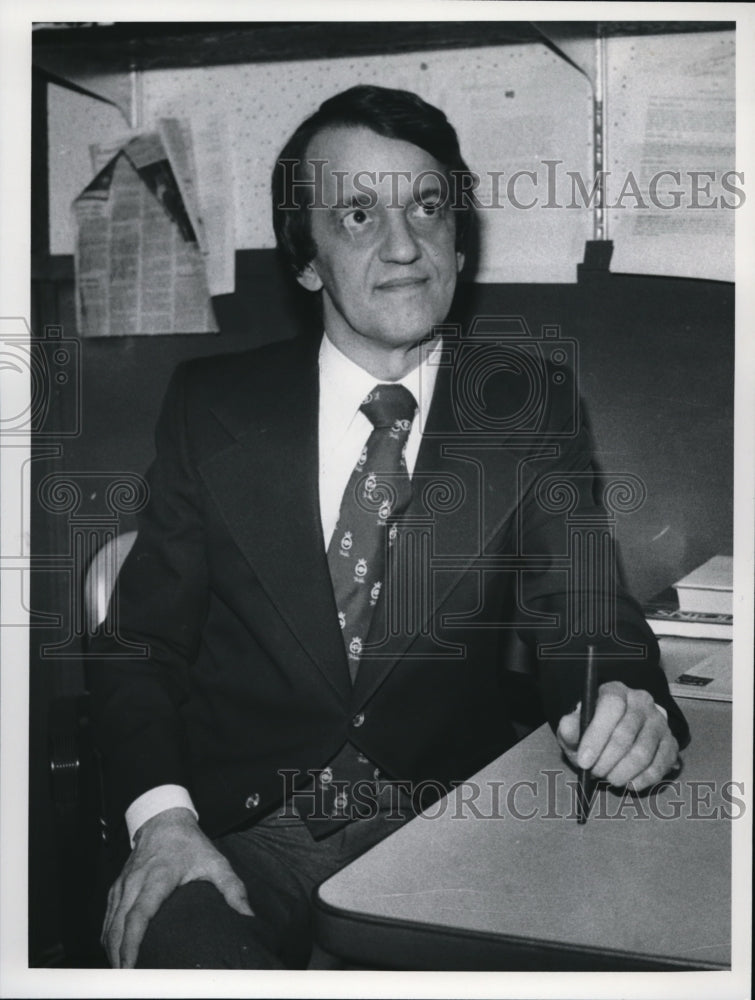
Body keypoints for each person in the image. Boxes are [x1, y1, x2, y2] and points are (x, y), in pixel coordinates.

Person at [88, 84, 689, 970]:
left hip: (450, 826)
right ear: (306, 259)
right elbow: (141, 647)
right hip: (242, 829)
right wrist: (165, 820)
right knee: (180, 949)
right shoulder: (213, 408)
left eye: (427, 206)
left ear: (458, 233)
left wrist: (623, 700)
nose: (404, 245)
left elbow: (583, 611)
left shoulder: (525, 405)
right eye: (358, 215)